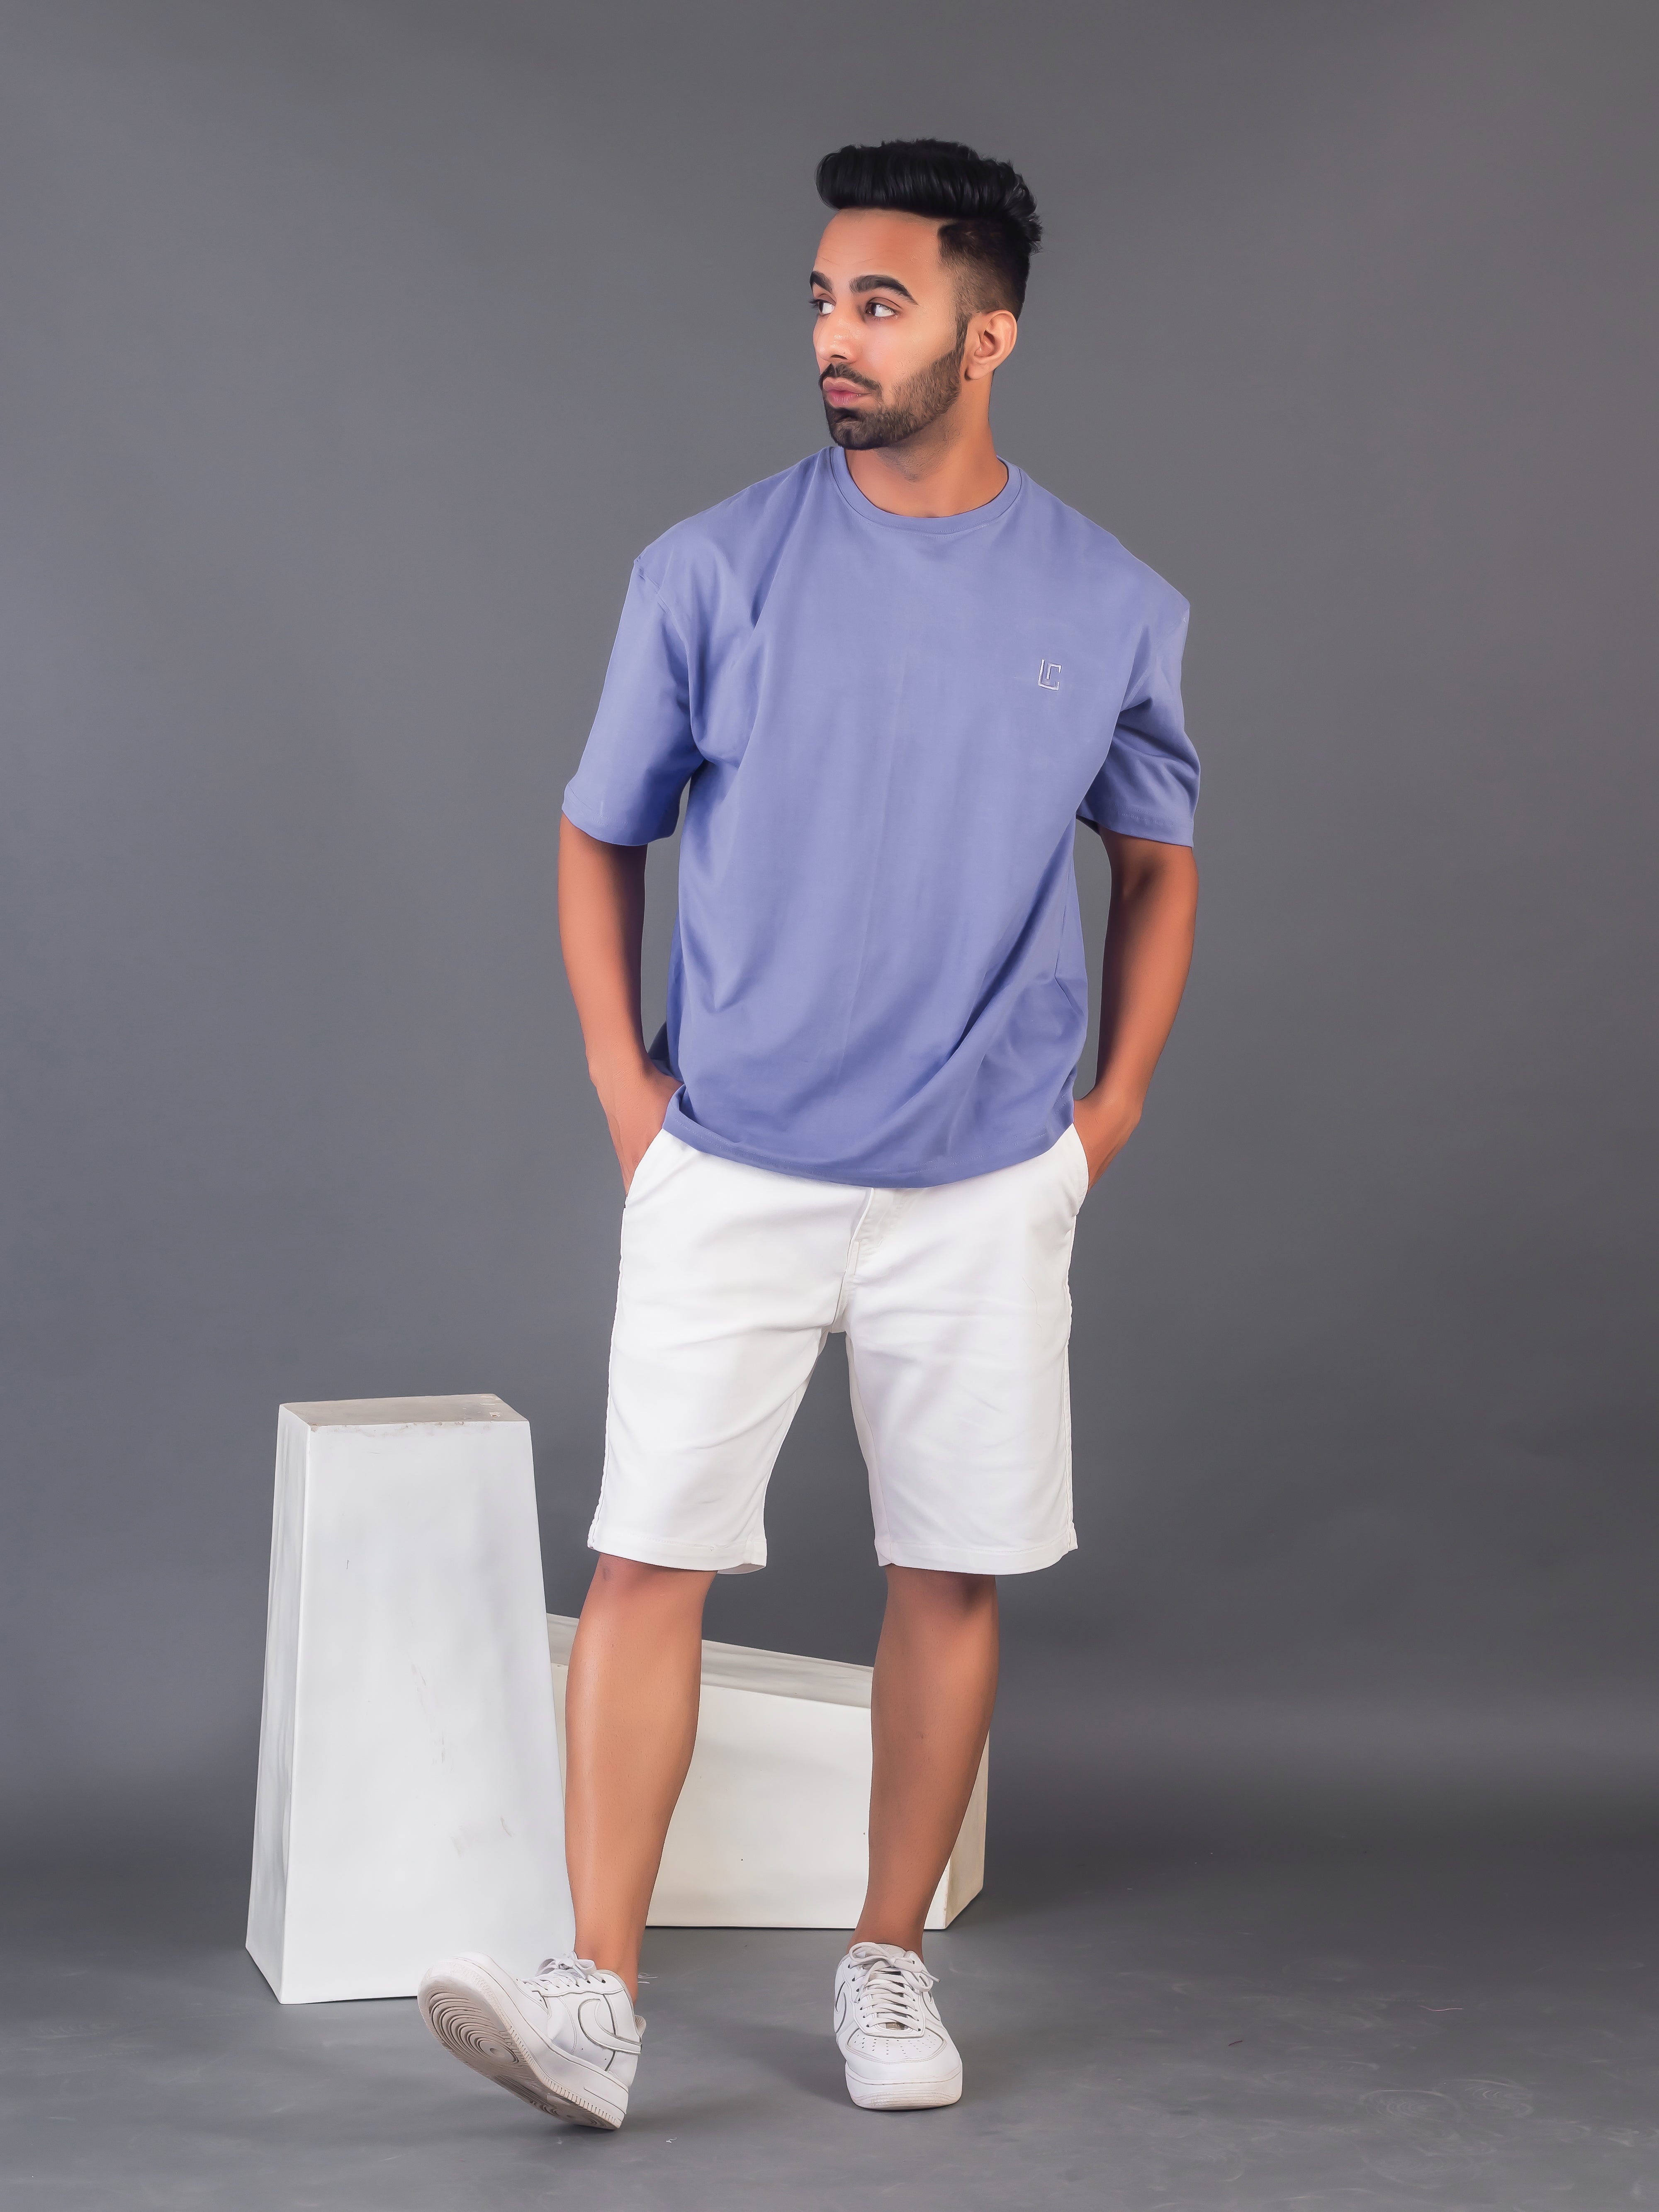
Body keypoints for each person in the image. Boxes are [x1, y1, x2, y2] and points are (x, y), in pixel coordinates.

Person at [417, 136, 1199, 2129]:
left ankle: (887, 1959)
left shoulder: (1108, 600)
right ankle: (593, 1995)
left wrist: (1102, 1114)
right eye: (823, 302)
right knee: (645, 1554)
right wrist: (630, 1093)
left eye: (882, 303)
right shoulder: (708, 570)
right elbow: (598, 830)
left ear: (986, 335)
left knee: (951, 1567)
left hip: (984, 1179)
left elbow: (1158, 859)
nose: (837, 338)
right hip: (733, 1158)